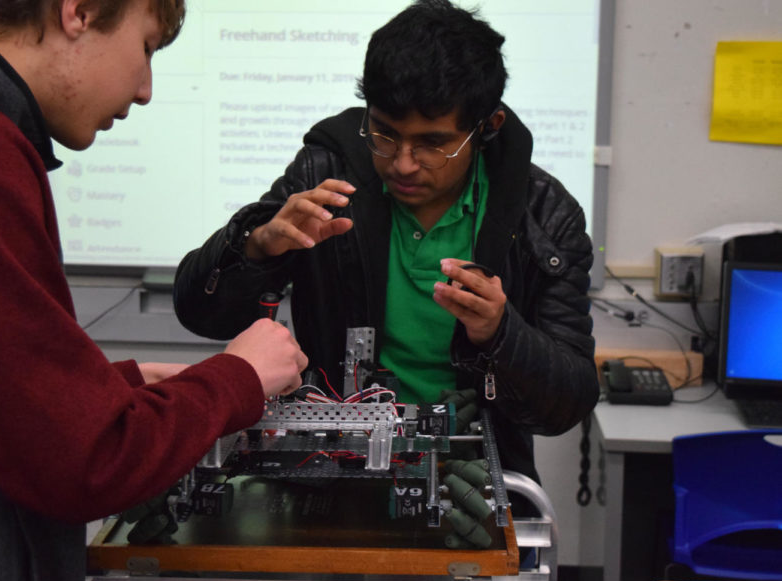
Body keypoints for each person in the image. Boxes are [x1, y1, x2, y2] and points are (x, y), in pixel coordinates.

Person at [0, 1, 306, 581]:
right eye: (148, 47)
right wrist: (238, 376)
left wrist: (117, 387)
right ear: (78, 12)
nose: (145, 91)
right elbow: (85, 462)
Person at [174, 0, 599, 496]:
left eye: (433, 143)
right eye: (385, 134)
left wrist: (501, 334)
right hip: (332, 477)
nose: (402, 164)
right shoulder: (325, 174)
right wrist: (257, 246)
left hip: (474, 488)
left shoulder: (545, 216)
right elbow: (199, 313)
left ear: (487, 127)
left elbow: (566, 404)